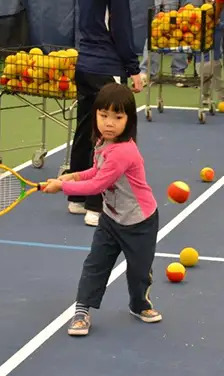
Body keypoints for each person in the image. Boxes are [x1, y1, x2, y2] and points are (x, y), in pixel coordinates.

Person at [42, 83, 161, 337]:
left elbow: (98, 184)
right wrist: (72, 176)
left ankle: (139, 304)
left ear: (129, 120)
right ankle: (82, 310)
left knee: (139, 269)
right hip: (111, 219)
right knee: (95, 264)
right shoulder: (101, 142)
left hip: (140, 222)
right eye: (103, 115)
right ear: (94, 114)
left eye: (117, 117)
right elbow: (96, 171)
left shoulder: (124, 152)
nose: (109, 123)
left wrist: (62, 187)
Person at [66, 0, 143, 227]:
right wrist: (133, 68)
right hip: (106, 68)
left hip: (85, 67)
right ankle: (95, 206)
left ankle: (77, 198)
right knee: (110, 138)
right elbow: (121, 28)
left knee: (86, 130)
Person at [195, 20, 224, 108]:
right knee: (218, 81)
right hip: (213, 60)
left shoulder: (196, 28)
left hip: (199, 62)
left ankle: (205, 98)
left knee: (204, 81)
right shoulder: (220, 26)